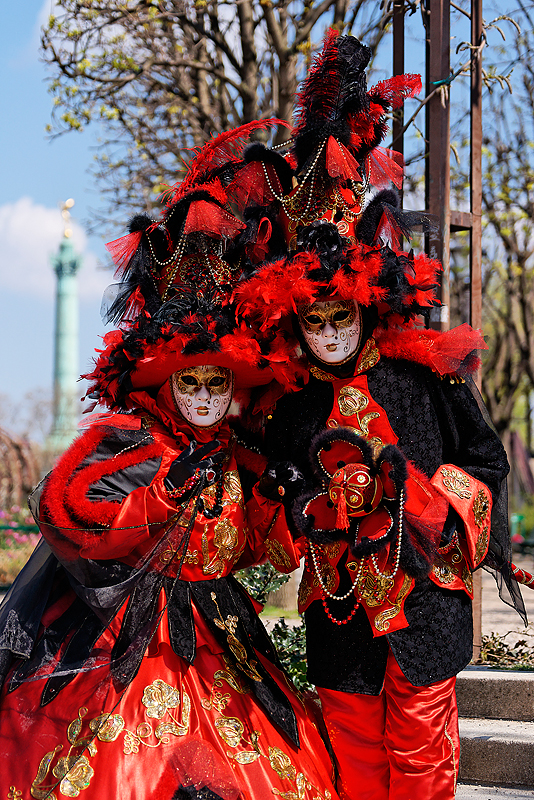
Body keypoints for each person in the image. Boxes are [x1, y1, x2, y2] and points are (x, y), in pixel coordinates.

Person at [0, 129, 338, 800]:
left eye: (219, 384)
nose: (207, 398)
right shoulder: (132, 437)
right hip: (128, 643)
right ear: (167, 386)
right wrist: (161, 494)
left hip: (221, 637)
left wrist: (294, 505)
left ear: (235, 389)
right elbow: (64, 509)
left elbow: (257, 548)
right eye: (193, 384)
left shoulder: (238, 457)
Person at [233, 30, 527, 800]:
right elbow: (282, 481)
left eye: (341, 319)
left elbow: (486, 462)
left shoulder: (423, 375)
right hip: (341, 612)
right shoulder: (293, 400)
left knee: (424, 758)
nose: (329, 336)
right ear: (294, 325)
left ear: (366, 304)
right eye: (313, 325)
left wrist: (428, 505)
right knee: (354, 758)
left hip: (426, 600)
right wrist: (311, 505)